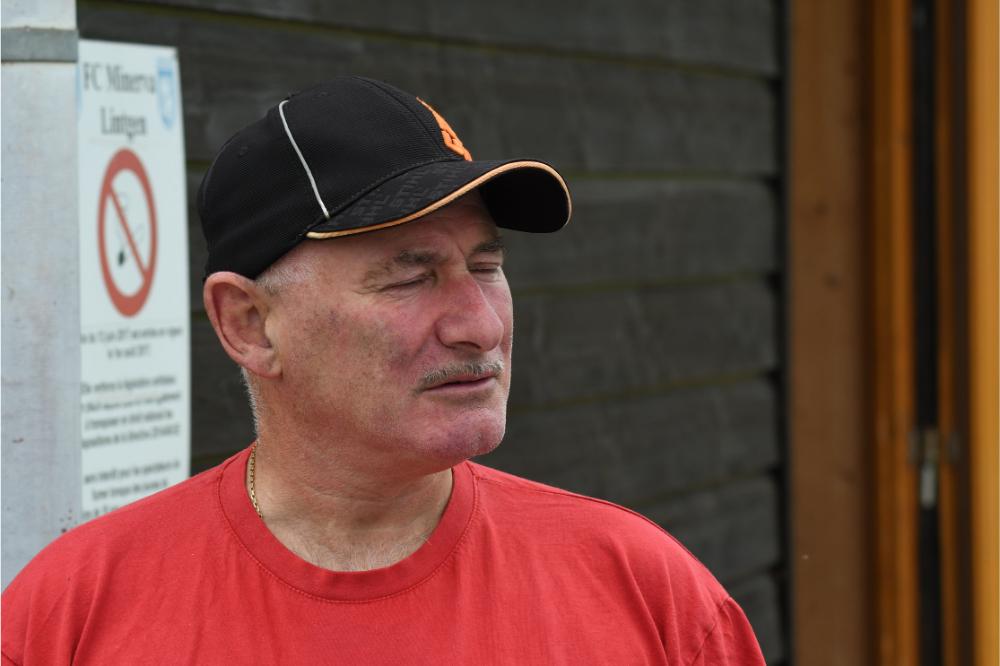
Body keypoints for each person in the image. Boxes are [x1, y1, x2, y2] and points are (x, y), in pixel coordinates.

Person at [1, 76, 766, 664]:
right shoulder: (74, 615)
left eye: (486, 266)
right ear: (249, 324)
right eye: (410, 277)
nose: (480, 325)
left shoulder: (647, 594)